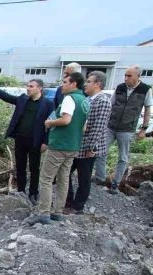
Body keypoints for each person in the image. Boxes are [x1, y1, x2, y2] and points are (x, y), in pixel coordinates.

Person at [0, 77, 54, 204]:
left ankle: (33, 193)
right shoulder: (23, 99)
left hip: (36, 140)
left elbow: (50, 125)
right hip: (20, 138)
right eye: (27, 86)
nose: (28, 88)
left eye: (31, 86)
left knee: (34, 168)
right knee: (20, 166)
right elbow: (7, 97)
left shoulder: (48, 104)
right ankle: (21, 191)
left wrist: (46, 142)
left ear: (39, 88)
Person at [28, 72, 88, 225]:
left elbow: (66, 120)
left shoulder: (69, 98)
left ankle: (44, 213)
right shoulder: (84, 100)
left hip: (59, 145)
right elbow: (84, 127)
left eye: (65, 82)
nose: (63, 85)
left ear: (74, 84)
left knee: (46, 178)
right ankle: (58, 212)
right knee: (63, 179)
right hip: (73, 146)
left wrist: (50, 123)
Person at [94, 65, 152, 193]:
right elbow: (111, 104)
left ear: (138, 76)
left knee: (123, 157)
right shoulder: (120, 87)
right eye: (125, 75)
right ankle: (100, 178)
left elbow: (147, 109)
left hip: (127, 129)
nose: (126, 78)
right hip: (111, 126)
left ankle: (116, 184)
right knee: (100, 151)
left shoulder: (145, 90)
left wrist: (144, 129)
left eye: (129, 76)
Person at [65, 71, 112, 214]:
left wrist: (92, 147)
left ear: (97, 84)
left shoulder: (102, 101)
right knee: (64, 173)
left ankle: (78, 206)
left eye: (89, 81)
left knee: (83, 178)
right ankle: (69, 201)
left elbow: (98, 126)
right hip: (79, 145)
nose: (85, 84)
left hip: (88, 148)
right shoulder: (89, 99)